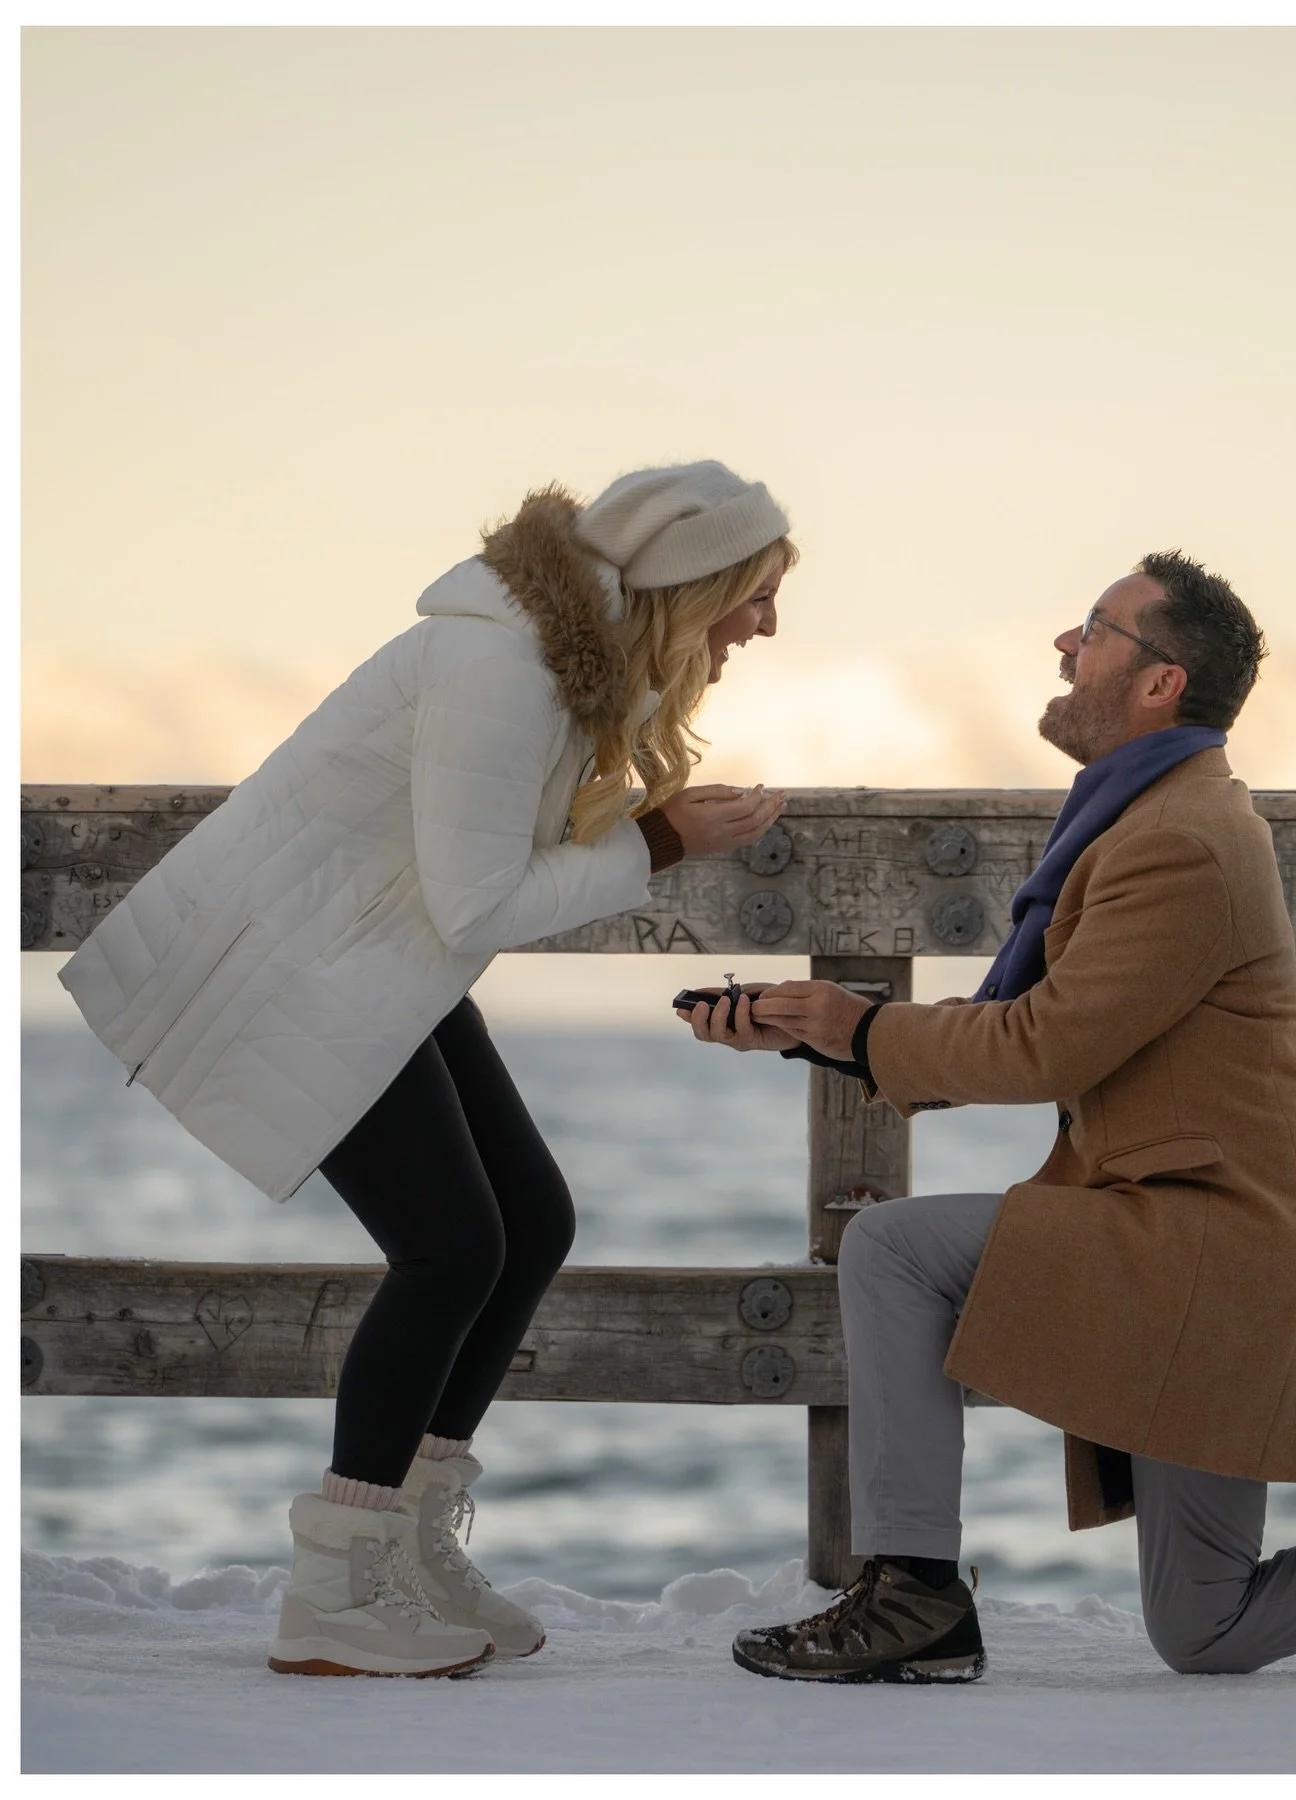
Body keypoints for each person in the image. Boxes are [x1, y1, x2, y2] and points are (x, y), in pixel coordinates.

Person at [59, 461, 796, 1679]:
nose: (766, 623)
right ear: (688, 578)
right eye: (758, 592)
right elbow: (478, 903)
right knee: (454, 1246)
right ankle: (339, 1589)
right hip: (306, 968)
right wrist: (659, 839)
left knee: (532, 1221)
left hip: (370, 960)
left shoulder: (557, 659)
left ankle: (404, 1538)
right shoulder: (501, 668)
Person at [681, 551, 1296, 1686]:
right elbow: (1036, 1025)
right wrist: (820, 1029)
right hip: (1218, 1257)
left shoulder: (1177, 840)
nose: (1065, 646)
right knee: (1204, 1628)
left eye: (1095, 628)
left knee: (890, 1249)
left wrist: (854, 1027)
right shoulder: (1162, 814)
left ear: (1161, 682)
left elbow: (1040, 1045)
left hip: (1215, 1254)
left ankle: (915, 1595)